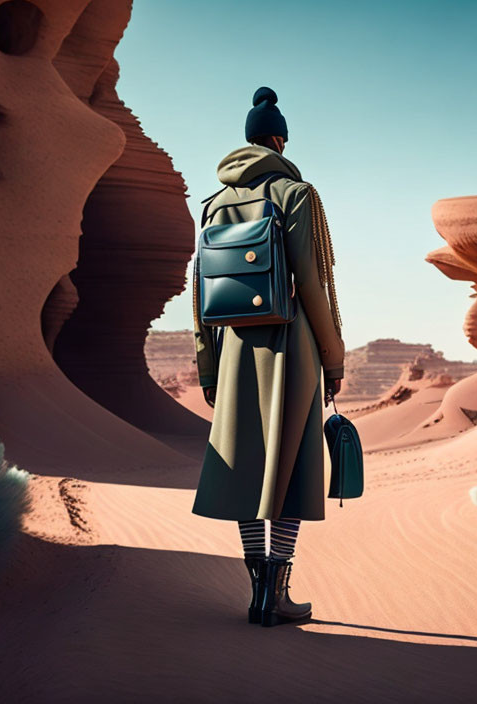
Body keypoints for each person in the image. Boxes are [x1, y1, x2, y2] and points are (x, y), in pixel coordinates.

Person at [191, 86, 344, 628]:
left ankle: (257, 592)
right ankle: (275, 595)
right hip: (291, 347)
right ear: (279, 140)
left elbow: (199, 294)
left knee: (249, 474)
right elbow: (313, 282)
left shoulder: (212, 204)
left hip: (232, 348)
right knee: (293, 470)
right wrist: (335, 357)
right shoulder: (295, 193)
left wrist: (207, 367)